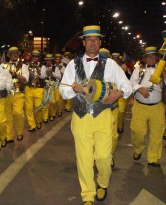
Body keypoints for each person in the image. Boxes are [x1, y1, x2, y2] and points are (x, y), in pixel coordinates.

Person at [59, 25, 132, 205]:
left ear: (100, 43)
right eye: (89, 39)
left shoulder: (110, 64)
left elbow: (126, 84)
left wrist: (119, 93)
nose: (93, 42)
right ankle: (87, 195)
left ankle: (103, 183)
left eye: (96, 39)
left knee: (103, 157)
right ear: (83, 42)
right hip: (81, 117)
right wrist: (74, 90)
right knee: (84, 159)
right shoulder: (72, 64)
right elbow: (63, 90)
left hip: (103, 116)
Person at [130, 46, 165, 167]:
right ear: (144, 58)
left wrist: (164, 73)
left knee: (157, 133)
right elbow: (132, 82)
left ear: (157, 57)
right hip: (140, 106)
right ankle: (138, 148)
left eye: (153, 55)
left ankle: (153, 158)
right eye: (148, 56)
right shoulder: (139, 69)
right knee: (137, 131)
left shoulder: (162, 69)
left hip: (157, 107)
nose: (150, 58)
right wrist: (139, 89)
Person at [4, 47, 29, 143]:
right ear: (9, 55)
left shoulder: (23, 66)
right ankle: (9, 136)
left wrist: (16, 76)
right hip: (7, 93)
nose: (15, 55)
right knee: (8, 115)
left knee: (18, 113)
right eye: (13, 53)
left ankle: (19, 132)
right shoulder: (4, 66)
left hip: (19, 93)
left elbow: (26, 79)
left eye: (17, 53)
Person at [25, 50, 46, 132]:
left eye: (36, 57)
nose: (35, 58)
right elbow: (26, 78)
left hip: (39, 89)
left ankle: (38, 121)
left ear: (39, 58)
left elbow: (42, 76)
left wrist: (37, 67)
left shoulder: (42, 66)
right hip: (29, 88)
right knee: (28, 108)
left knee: (38, 107)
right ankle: (32, 125)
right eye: (33, 56)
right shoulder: (27, 66)